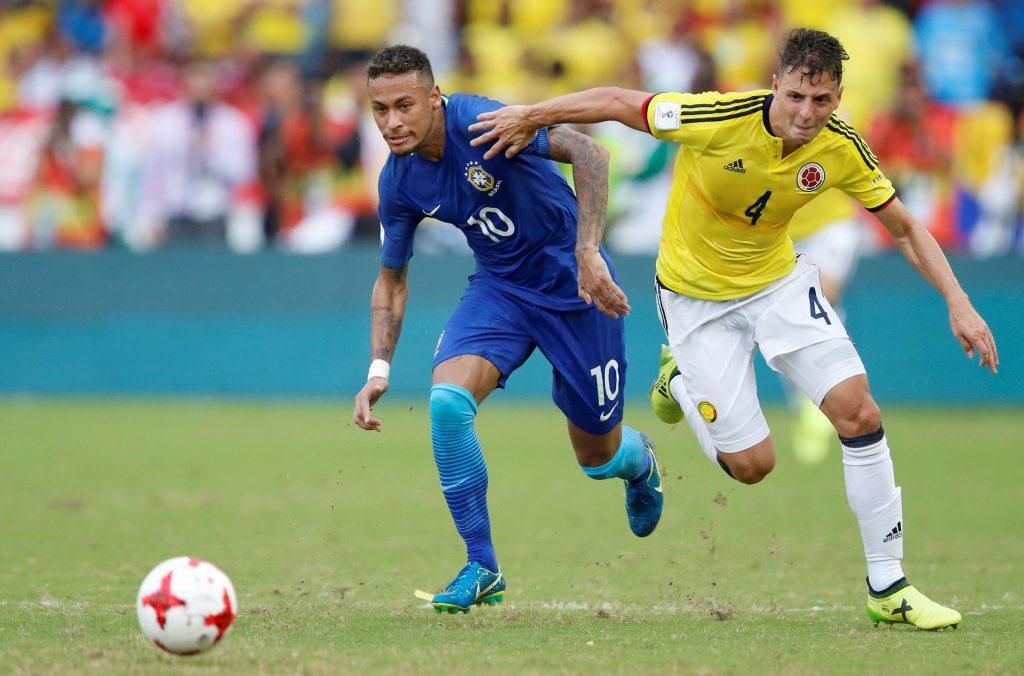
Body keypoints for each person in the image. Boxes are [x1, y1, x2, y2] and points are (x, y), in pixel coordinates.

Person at [469, 28, 999, 631]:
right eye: (796, 96)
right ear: (775, 85)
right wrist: (531, 114)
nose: (806, 114)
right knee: (751, 466)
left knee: (861, 414)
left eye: (822, 101)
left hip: (779, 287)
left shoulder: (842, 148)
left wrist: (959, 302)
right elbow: (620, 102)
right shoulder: (718, 116)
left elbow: (904, 227)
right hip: (696, 305)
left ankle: (889, 585)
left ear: (838, 98)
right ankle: (679, 384)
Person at [352, 45, 663, 614]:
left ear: (434, 98)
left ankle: (638, 462)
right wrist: (378, 370)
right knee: (447, 404)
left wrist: (588, 250)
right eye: (379, 110)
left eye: (404, 105)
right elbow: (391, 279)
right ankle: (483, 566)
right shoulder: (398, 182)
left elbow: (590, 154)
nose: (392, 122)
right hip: (501, 289)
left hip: (576, 286)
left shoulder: (480, 123)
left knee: (596, 456)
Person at [785, 189, 864, 464]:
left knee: (822, 296)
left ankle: (830, 386)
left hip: (831, 221)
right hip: (778, 230)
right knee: (787, 317)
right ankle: (805, 399)